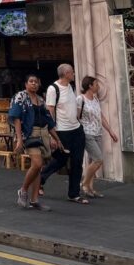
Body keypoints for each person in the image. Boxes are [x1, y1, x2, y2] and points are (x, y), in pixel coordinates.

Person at [9, 74, 62, 211]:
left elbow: (49, 121)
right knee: (37, 163)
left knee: (38, 166)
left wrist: (56, 138)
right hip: (29, 133)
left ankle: (34, 200)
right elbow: (16, 118)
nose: (34, 84)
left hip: (42, 133)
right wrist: (19, 139)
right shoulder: (20, 97)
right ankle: (23, 190)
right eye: (31, 82)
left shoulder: (40, 100)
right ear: (26, 84)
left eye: (36, 82)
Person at [40, 64, 89, 204]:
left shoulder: (71, 87)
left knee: (77, 161)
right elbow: (50, 111)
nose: (74, 74)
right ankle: (40, 178)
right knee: (61, 159)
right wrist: (52, 134)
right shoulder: (53, 89)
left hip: (77, 129)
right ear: (66, 73)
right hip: (62, 130)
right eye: (72, 72)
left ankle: (74, 194)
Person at [79, 76, 119, 198]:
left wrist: (110, 131)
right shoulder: (80, 99)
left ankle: (90, 188)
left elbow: (101, 116)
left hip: (98, 132)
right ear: (90, 86)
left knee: (93, 160)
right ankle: (84, 184)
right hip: (87, 133)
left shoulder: (95, 99)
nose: (98, 86)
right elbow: (76, 117)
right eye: (96, 84)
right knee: (98, 159)